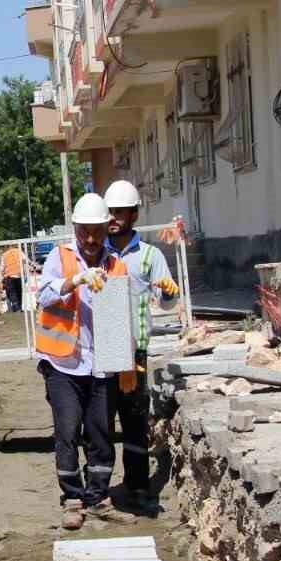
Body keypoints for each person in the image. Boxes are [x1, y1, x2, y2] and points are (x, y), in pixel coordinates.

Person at [34, 193, 135, 530]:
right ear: (75, 229)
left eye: (97, 232)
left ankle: (98, 497)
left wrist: (126, 364)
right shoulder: (60, 259)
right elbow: (43, 296)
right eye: (84, 232)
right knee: (67, 431)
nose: (91, 239)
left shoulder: (115, 264)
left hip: (101, 363)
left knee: (101, 433)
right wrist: (73, 281)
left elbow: (121, 316)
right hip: (64, 363)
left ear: (107, 228)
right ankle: (73, 499)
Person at [102, 180, 181, 515]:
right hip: (103, 349)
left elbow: (166, 304)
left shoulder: (150, 255)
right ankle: (99, 490)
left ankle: (137, 486)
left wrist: (168, 290)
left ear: (134, 214)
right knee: (100, 423)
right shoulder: (96, 251)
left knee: (134, 421)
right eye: (110, 212)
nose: (113, 218)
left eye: (120, 212)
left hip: (135, 350)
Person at [0, 243, 26, 313]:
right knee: (19, 292)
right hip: (19, 275)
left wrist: (2, 276)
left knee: (12, 293)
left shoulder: (4, 255)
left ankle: (16, 308)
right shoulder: (19, 252)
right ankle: (20, 308)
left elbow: (2, 268)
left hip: (9, 276)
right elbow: (24, 260)